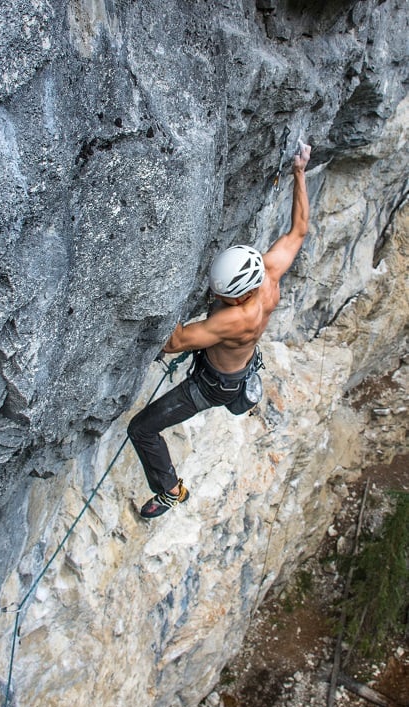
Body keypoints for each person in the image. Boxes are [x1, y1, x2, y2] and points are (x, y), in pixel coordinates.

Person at [128, 140, 311, 518]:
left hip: (212, 385)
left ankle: (170, 492)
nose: (214, 297)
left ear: (237, 297)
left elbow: (175, 341)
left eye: (219, 296)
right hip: (235, 365)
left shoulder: (233, 320)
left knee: (141, 429)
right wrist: (299, 172)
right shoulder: (268, 273)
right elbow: (299, 231)